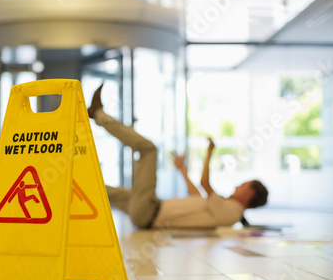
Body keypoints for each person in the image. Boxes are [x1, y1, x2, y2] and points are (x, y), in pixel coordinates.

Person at [88, 83, 268, 229]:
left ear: (250, 193)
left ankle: (98, 114)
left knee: (149, 149)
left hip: (149, 213)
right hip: (147, 210)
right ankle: (69, 183)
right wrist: (181, 169)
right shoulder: (226, 208)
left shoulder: (232, 213)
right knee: (106, 191)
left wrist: (209, 152)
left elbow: (204, 184)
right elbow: (197, 194)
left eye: (243, 185)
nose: (237, 185)